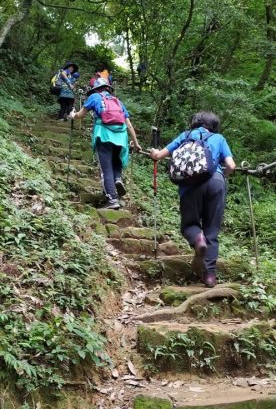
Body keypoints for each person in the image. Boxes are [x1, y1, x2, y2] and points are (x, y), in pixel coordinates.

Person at [150, 111, 236, 287]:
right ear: (213, 125)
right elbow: (231, 165)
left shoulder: (185, 135)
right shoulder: (219, 138)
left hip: (190, 186)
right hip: (216, 182)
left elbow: (158, 156)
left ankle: (197, 239)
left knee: (189, 225)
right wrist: (222, 175)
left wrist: (154, 153)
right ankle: (210, 276)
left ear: (195, 122)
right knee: (212, 230)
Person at [70, 77, 141, 209]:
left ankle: (112, 199)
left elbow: (80, 115)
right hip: (121, 137)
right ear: (108, 88)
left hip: (103, 135)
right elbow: (129, 125)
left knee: (106, 168)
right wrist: (136, 143)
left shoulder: (94, 97)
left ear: (95, 89)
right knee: (116, 161)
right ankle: (118, 179)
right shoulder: (118, 101)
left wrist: (73, 115)